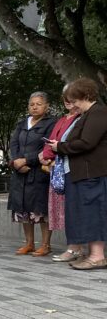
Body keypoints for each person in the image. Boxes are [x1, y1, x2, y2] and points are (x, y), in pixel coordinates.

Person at [49, 77, 107, 270]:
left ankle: (98, 256)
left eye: (74, 101)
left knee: (93, 214)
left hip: (93, 173)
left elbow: (87, 142)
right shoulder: (89, 114)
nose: (73, 105)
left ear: (86, 96)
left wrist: (61, 147)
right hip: (84, 173)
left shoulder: (98, 112)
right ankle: (93, 254)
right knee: (87, 214)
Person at [8, 92, 56, 256]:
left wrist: (27, 160)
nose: (34, 107)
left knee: (40, 209)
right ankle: (29, 243)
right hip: (20, 173)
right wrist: (16, 162)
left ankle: (45, 244)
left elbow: (47, 148)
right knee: (23, 209)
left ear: (47, 106)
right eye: (31, 104)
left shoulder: (51, 124)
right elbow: (13, 143)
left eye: (39, 104)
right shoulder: (22, 123)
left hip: (39, 172)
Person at [39, 93, 83, 262]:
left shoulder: (81, 119)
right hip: (59, 168)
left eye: (73, 98)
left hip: (72, 168)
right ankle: (73, 247)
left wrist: (52, 151)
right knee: (67, 210)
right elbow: (53, 140)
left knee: (72, 210)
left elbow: (68, 143)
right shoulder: (63, 119)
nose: (68, 102)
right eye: (65, 99)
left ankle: (75, 248)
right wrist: (45, 154)